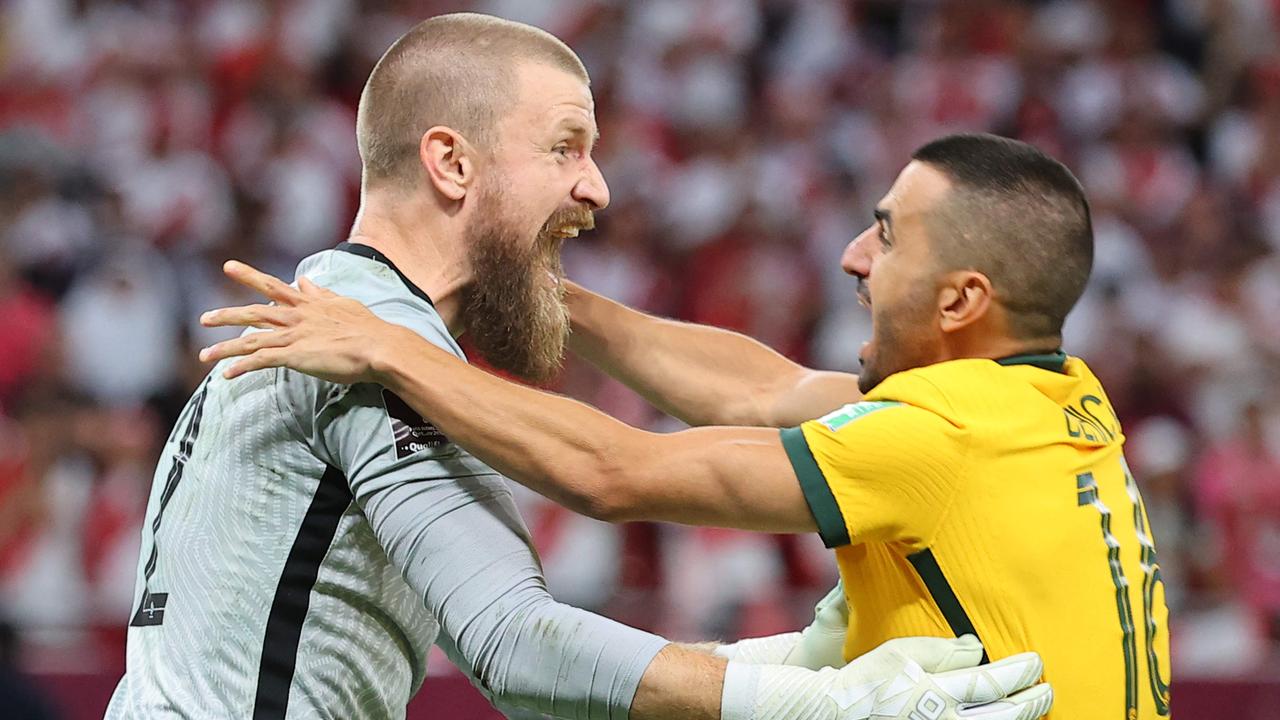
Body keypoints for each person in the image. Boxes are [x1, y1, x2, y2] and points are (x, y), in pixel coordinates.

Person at [107, 14, 1051, 720]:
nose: (596, 186)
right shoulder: (373, 350)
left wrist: (796, 662)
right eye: (565, 146)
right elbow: (515, 645)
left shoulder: (348, 322)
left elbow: (760, 390)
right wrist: (824, 702)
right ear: (451, 163)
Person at [201, 133, 1171, 719]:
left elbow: (612, 474)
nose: (850, 256)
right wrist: (545, 301)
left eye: (883, 233)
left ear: (961, 298)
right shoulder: (1049, 403)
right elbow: (760, 390)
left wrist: (385, 346)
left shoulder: (935, 439)